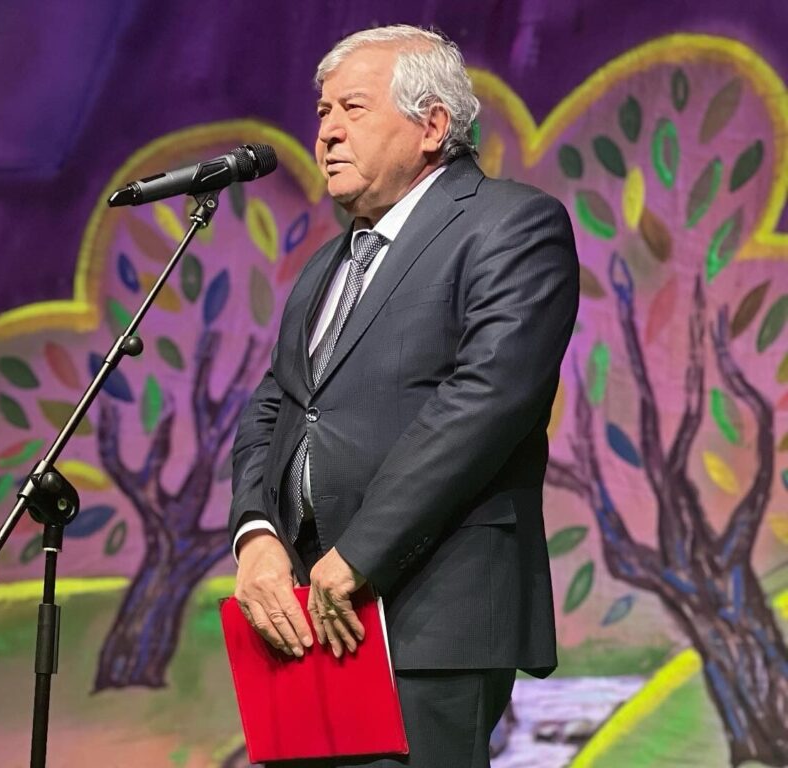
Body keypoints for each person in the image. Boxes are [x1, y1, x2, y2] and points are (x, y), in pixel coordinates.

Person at [228, 24, 578, 768]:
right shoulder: (329, 264)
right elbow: (275, 407)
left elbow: (485, 401)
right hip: (308, 615)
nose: (326, 132)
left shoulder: (510, 224)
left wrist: (360, 553)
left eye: (351, 109)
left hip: (428, 612)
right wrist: (256, 534)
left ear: (432, 126)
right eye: (322, 112)